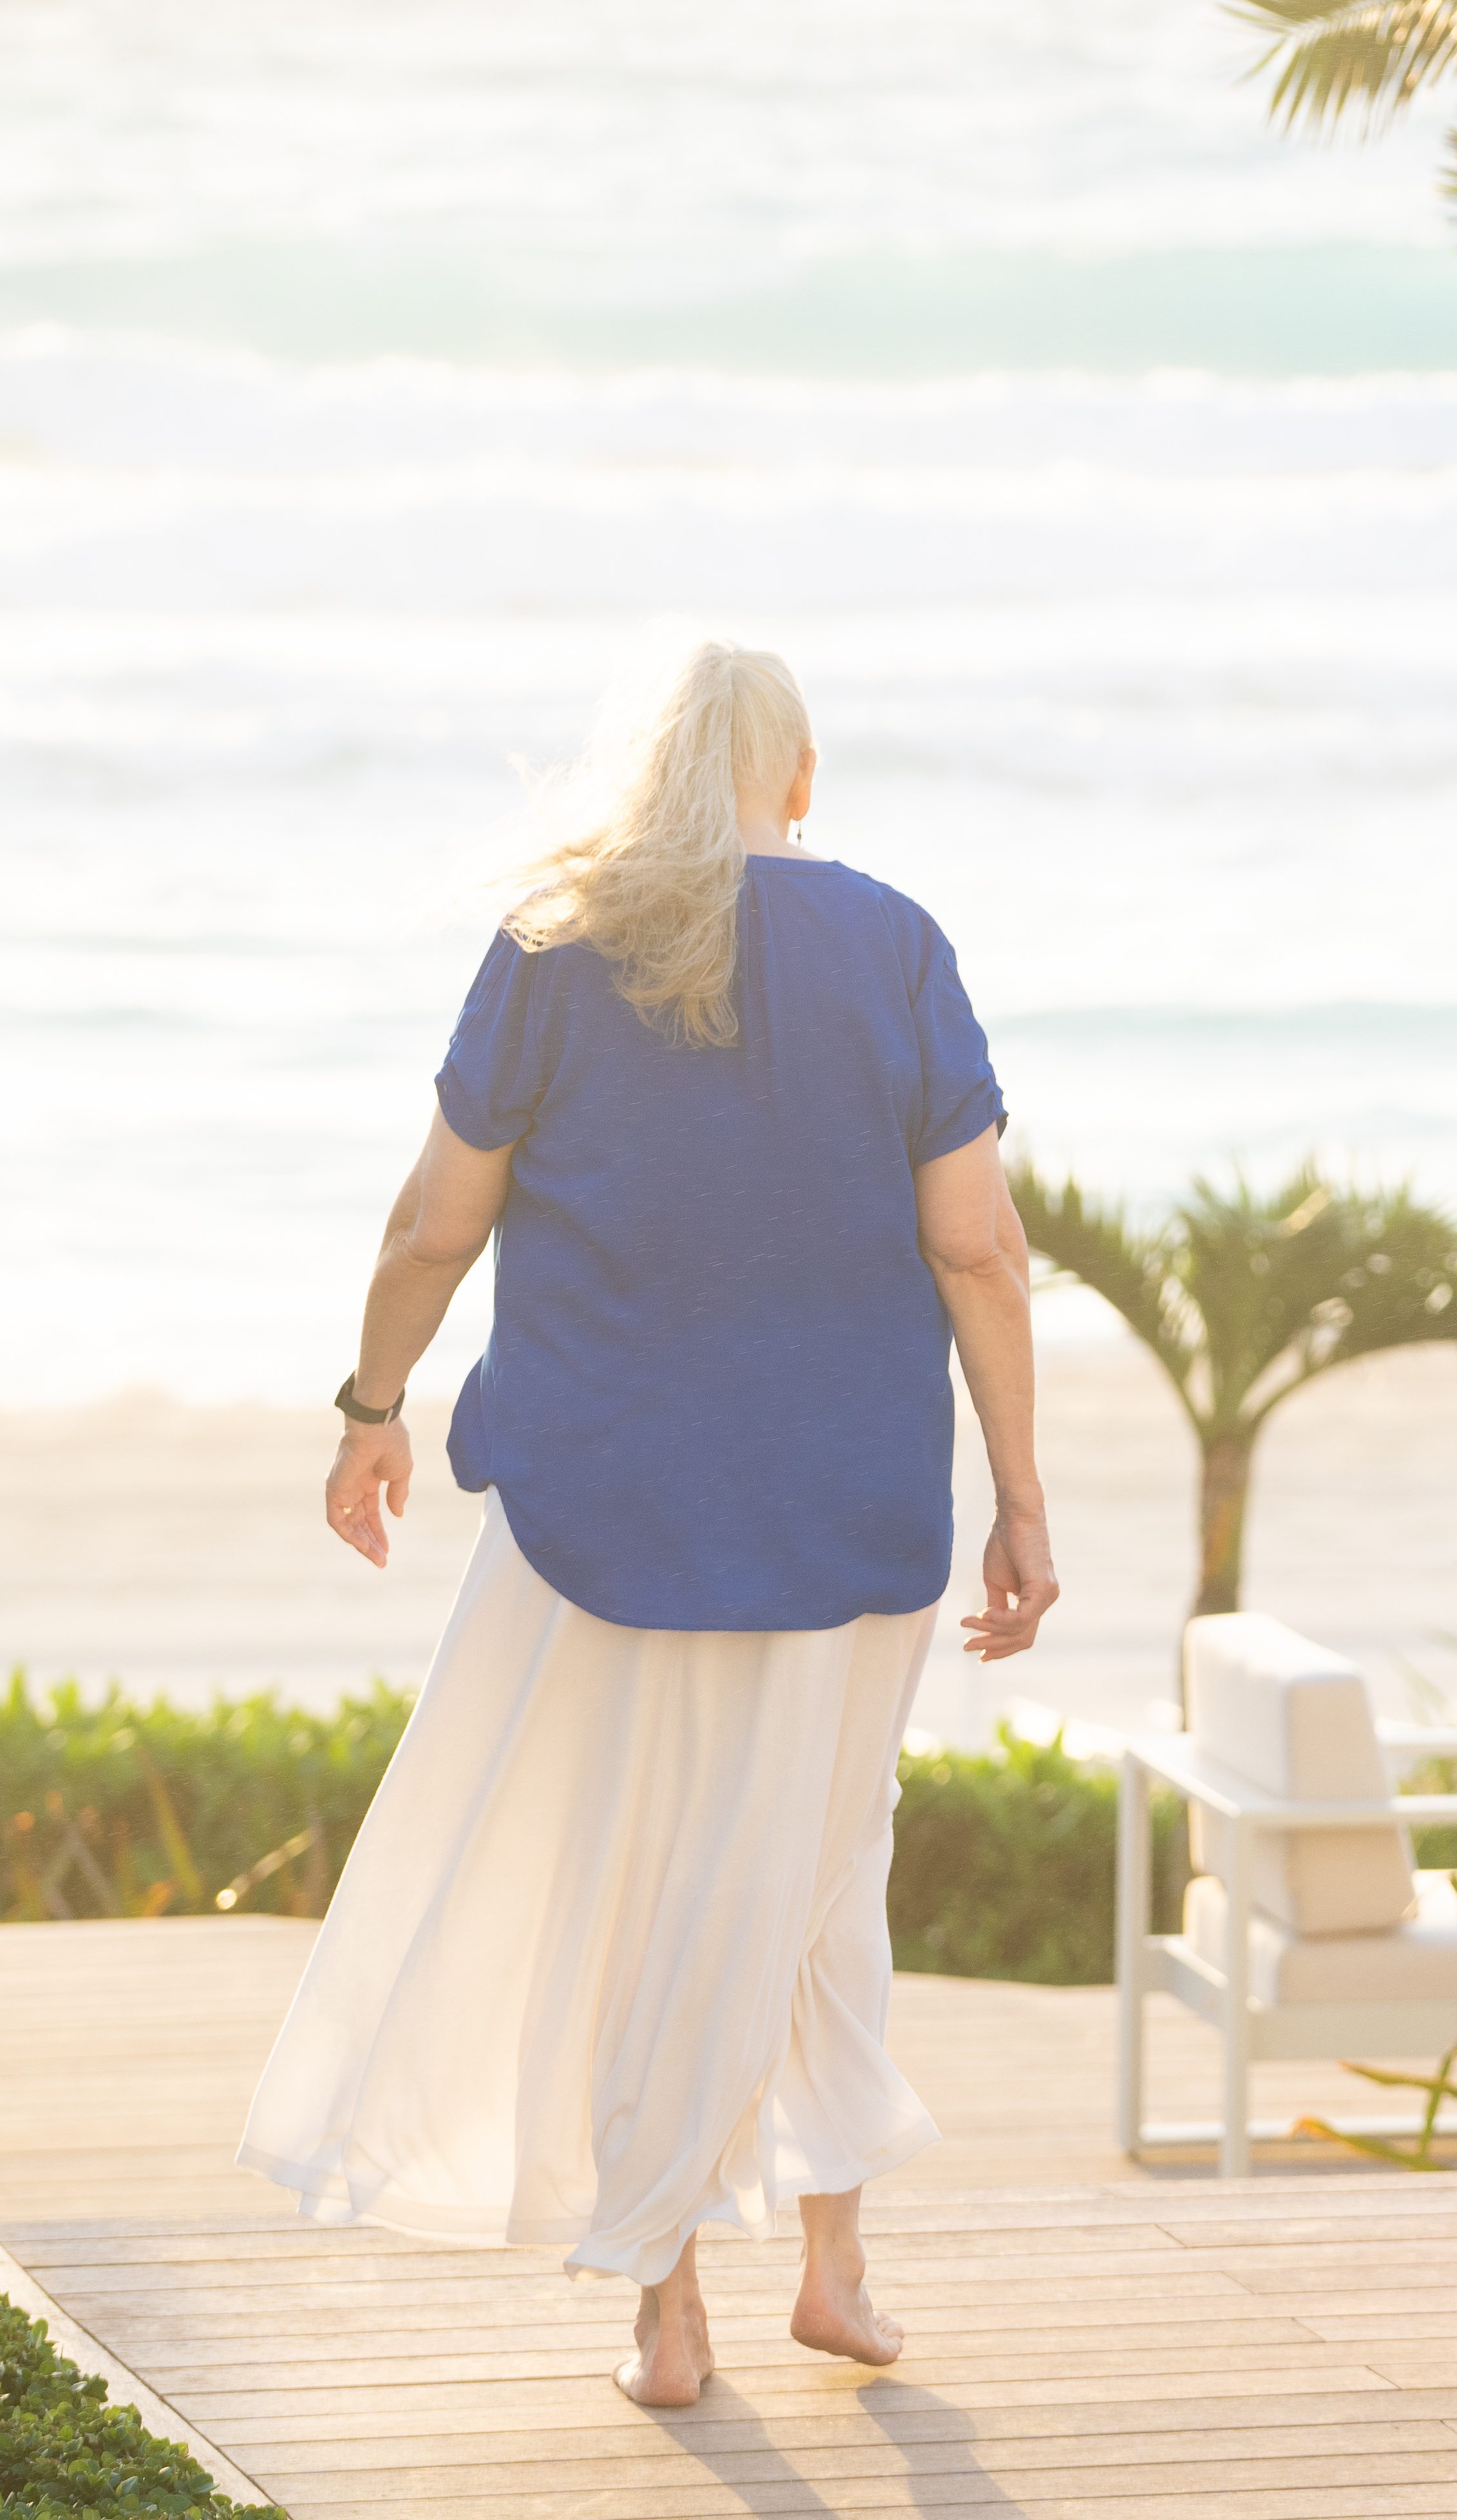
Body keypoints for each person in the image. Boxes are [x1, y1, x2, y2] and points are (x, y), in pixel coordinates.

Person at [238, 641, 1059, 2409]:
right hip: (848, 1514)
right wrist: (1023, 1499)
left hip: (597, 1512)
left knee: (650, 1877)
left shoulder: (552, 945)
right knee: (822, 1867)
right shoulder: (896, 945)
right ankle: (831, 2265)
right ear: (803, 778)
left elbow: (430, 1229)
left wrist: (372, 1411)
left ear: (648, 776)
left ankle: (670, 2305)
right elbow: (980, 1249)